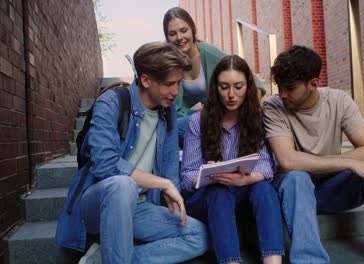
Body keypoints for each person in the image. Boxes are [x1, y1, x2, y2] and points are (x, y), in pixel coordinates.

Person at [55, 42, 208, 264]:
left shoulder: (168, 111)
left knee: (200, 235)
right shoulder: (111, 101)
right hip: (99, 204)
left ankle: (104, 258)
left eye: (178, 83)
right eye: (169, 84)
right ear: (146, 80)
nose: (176, 92)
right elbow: (106, 166)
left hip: (140, 208)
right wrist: (162, 183)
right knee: (122, 184)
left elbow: (170, 170)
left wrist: (172, 188)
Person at [263, 45, 364, 264]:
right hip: (295, 192)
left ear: (314, 84)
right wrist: (350, 164)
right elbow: (287, 161)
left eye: (290, 88)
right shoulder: (273, 107)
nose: (282, 94)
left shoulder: (339, 101)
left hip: (331, 188)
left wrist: (342, 164)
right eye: (280, 87)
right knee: (297, 177)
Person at [181, 55, 284, 264]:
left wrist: (246, 179)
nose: (231, 94)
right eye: (224, 87)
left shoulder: (258, 118)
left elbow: (266, 164)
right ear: (215, 88)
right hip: (209, 197)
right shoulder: (197, 121)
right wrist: (206, 175)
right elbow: (187, 176)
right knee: (219, 192)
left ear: (248, 86)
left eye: (238, 87)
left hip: (245, 191)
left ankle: (273, 261)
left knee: (264, 189)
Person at [163, 7, 266, 146]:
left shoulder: (208, 53)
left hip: (223, 114)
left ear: (192, 30)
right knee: (166, 120)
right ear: (167, 37)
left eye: (184, 30)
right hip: (202, 115)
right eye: (172, 33)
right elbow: (177, 105)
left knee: (171, 131)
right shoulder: (173, 62)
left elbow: (256, 84)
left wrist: (249, 118)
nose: (179, 38)